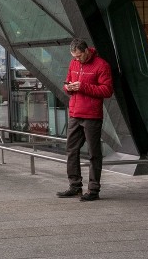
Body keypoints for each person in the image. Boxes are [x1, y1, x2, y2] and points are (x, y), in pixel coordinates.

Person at [57, 38, 114, 201]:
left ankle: (94, 190)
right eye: (74, 57)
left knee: (94, 153)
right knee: (71, 150)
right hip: (75, 113)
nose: (77, 59)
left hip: (92, 115)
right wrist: (68, 88)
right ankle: (75, 186)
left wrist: (82, 87)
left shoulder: (101, 65)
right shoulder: (73, 63)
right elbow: (67, 83)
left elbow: (107, 90)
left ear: (87, 51)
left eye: (79, 56)